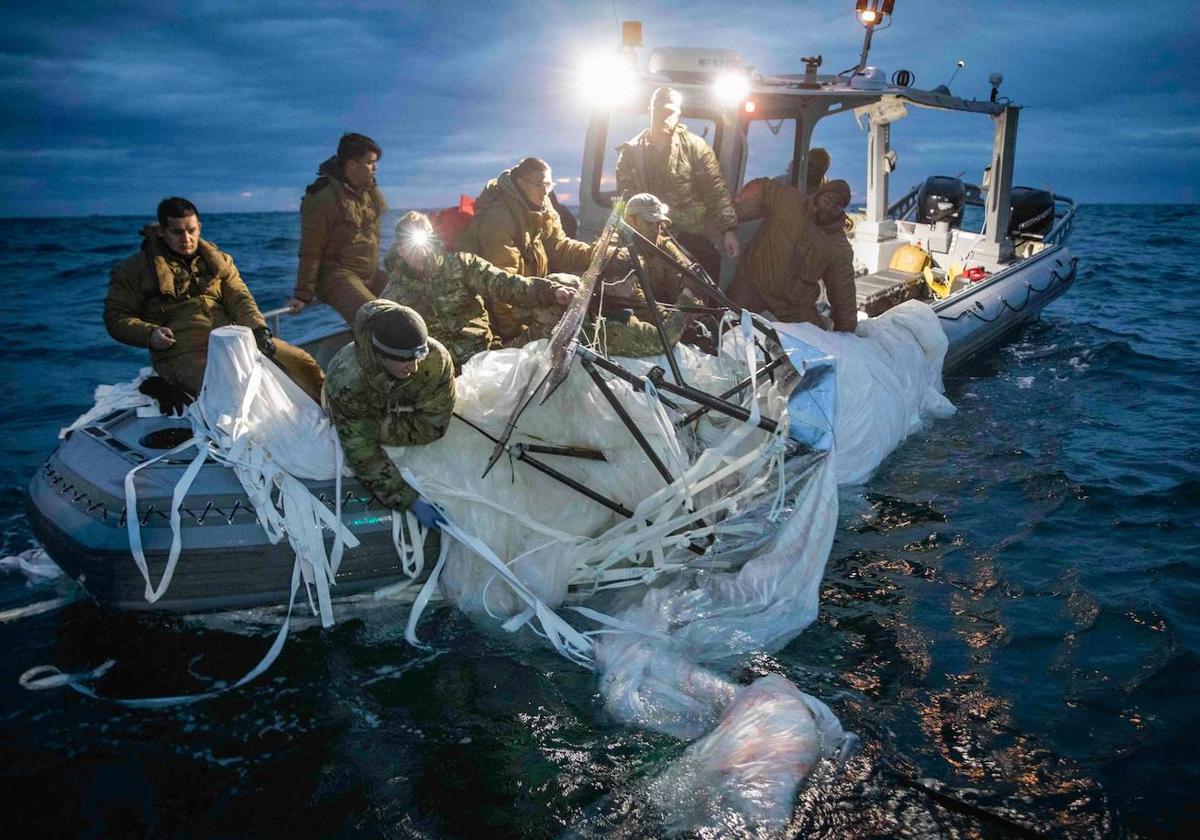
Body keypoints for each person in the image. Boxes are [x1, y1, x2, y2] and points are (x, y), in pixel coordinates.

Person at [104, 197, 325, 413]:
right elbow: (116, 317)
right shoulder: (133, 270)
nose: (186, 238)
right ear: (161, 231)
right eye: (177, 232)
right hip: (179, 352)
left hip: (233, 340)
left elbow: (240, 298)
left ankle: (336, 414)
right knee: (230, 388)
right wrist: (149, 334)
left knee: (301, 361)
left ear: (199, 226)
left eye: (191, 230)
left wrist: (259, 331)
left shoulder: (219, 261)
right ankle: (164, 383)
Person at [382, 212, 575, 369]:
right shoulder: (393, 295)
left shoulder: (462, 265)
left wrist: (551, 291)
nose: (421, 253)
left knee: (557, 312)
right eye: (410, 246)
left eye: (423, 244)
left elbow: (506, 284)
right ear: (399, 250)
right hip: (439, 374)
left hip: (486, 358)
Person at [324, 301, 453, 527]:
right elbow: (361, 450)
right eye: (403, 359)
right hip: (357, 408)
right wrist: (408, 499)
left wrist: (391, 419)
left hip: (388, 409)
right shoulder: (346, 380)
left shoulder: (435, 359)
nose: (413, 367)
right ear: (381, 354)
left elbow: (434, 424)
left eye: (418, 356)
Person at [458, 156, 597, 341]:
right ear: (522, 184)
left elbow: (559, 246)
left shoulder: (542, 209)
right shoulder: (499, 219)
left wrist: (594, 255)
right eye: (540, 184)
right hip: (505, 311)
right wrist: (515, 338)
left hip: (530, 295)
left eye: (549, 185)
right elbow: (502, 286)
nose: (545, 191)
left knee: (573, 287)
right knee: (556, 308)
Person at [615, 86, 739, 282]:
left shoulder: (695, 148)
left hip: (686, 233)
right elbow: (624, 200)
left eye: (670, 112)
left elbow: (714, 189)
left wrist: (728, 230)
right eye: (659, 111)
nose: (664, 117)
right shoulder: (631, 152)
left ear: (679, 113)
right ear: (651, 110)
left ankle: (707, 312)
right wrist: (621, 231)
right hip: (645, 234)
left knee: (708, 265)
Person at [727, 178, 858, 332]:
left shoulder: (838, 246)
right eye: (827, 201)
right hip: (753, 283)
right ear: (819, 195)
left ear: (841, 211)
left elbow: (843, 292)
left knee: (819, 346)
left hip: (792, 305)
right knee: (723, 323)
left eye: (836, 207)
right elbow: (762, 188)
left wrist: (847, 331)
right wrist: (730, 216)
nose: (829, 209)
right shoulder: (789, 200)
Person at [287, 133, 388, 324]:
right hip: (337, 276)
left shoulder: (368, 191)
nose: (375, 168)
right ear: (351, 165)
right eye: (370, 162)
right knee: (378, 319)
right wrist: (303, 294)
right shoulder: (321, 198)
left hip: (369, 273)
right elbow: (311, 249)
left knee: (414, 302)